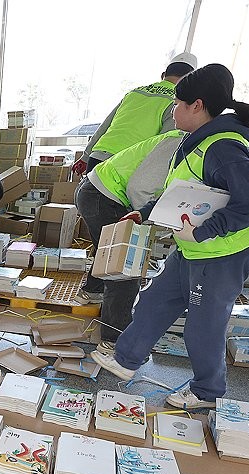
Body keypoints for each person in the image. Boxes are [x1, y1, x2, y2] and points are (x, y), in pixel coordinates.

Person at [90, 63, 249, 411]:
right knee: (155, 300)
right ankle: (127, 360)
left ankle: (207, 391)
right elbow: (183, 192)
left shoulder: (224, 147)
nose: (172, 111)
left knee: (203, 326)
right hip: (194, 245)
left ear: (197, 106)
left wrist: (204, 231)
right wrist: (145, 213)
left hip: (223, 250)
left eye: (177, 103)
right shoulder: (196, 141)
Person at [76, 129, 186, 356]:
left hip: (99, 191)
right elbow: (140, 188)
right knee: (125, 269)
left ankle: (92, 292)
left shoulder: (184, 140)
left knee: (110, 256)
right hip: (105, 196)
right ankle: (114, 342)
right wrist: (143, 222)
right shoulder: (180, 142)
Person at [72, 52, 198, 176]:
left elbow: (105, 126)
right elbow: (163, 146)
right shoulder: (177, 102)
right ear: (189, 81)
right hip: (125, 165)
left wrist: (86, 157)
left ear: (163, 75)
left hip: (97, 158)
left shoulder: (135, 93)